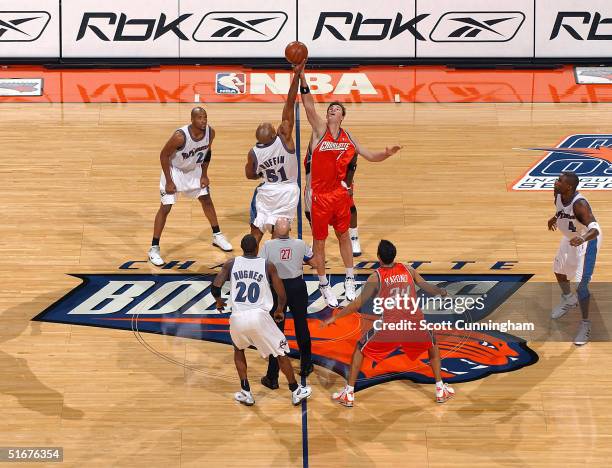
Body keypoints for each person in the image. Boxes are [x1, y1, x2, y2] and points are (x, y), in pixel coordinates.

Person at [299, 68, 401, 308]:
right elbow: (308, 105)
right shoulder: (319, 131)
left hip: (339, 195)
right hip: (319, 196)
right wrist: (302, 76)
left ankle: (349, 278)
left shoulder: (349, 138)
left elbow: (370, 156)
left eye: (336, 110)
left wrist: (386, 153)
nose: (332, 111)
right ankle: (324, 285)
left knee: (344, 236)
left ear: (342, 117)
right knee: (320, 242)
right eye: (330, 109)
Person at [322, 240, 455, 407]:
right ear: (395, 255)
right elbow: (426, 287)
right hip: (414, 324)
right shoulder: (409, 269)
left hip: (391, 327)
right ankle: (440, 389)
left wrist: (336, 317)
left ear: (379, 257)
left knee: (359, 349)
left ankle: (349, 393)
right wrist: (441, 291)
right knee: (433, 346)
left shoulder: (376, 276)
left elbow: (357, 304)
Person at [211, 234, 312, 406]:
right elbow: (281, 293)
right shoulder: (267, 265)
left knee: (238, 350)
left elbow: (215, 286)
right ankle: (296, 390)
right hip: (259, 316)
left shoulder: (231, 263)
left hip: (237, 317)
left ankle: (245, 391)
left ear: (242, 248)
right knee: (280, 352)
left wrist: (219, 301)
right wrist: (280, 309)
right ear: (257, 249)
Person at [148, 107, 232, 266]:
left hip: (194, 169)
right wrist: (169, 181)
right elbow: (163, 155)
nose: (203, 121)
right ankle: (154, 248)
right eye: (200, 118)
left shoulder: (210, 132)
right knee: (166, 208)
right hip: (175, 171)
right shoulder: (180, 136)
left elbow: (208, 153)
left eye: (205, 117)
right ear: (192, 120)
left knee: (206, 200)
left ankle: (217, 235)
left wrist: (204, 174)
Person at [246, 61, 304, 245]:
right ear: (275, 134)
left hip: (268, 192)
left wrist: (261, 172)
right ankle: (276, 270)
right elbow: (289, 102)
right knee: (278, 237)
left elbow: (249, 175)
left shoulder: (254, 152)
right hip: (288, 192)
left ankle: (252, 265)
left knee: (256, 232)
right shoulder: (284, 137)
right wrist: (297, 76)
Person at [259, 218, 316, 388]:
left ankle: (272, 375)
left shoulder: (268, 246)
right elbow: (313, 262)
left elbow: (261, 267)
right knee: (301, 325)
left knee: (276, 332)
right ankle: (306, 365)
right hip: (297, 287)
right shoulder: (300, 244)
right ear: (291, 228)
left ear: (274, 230)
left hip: (277, 290)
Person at [548, 171, 602, 345]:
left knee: (580, 286)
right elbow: (561, 210)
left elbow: (595, 229)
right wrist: (555, 217)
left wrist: (583, 238)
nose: (556, 182)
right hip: (571, 238)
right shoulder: (557, 193)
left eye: (559, 180)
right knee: (558, 271)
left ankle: (586, 325)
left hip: (587, 241)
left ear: (569, 186)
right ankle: (568, 300)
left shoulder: (580, 204)